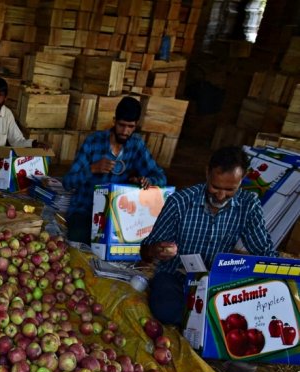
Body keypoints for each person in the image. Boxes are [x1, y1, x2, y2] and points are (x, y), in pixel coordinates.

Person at [140, 146, 278, 326]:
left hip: (217, 282)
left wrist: (281, 280)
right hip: (174, 276)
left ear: (242, 179)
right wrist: (156, 250)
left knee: (244, 315)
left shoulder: (248, 205)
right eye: (215, 187)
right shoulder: (181, 201)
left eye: (230, 189)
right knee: (167, 311)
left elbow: (264, 251)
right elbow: (146, 250)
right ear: (207, 173)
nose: (221, 195)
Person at [62, 96, 166, 245]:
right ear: (114, 121)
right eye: (121, 125)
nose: (125, 131)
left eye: (130, 127)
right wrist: (93, 168)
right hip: (86, 209)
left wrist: (146, 181)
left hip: (117, 214)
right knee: (80, 240)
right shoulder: (93, 142)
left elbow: (160, 176)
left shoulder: (136, 145)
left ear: (136, 126)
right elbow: (67, 182)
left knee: (137, 243)